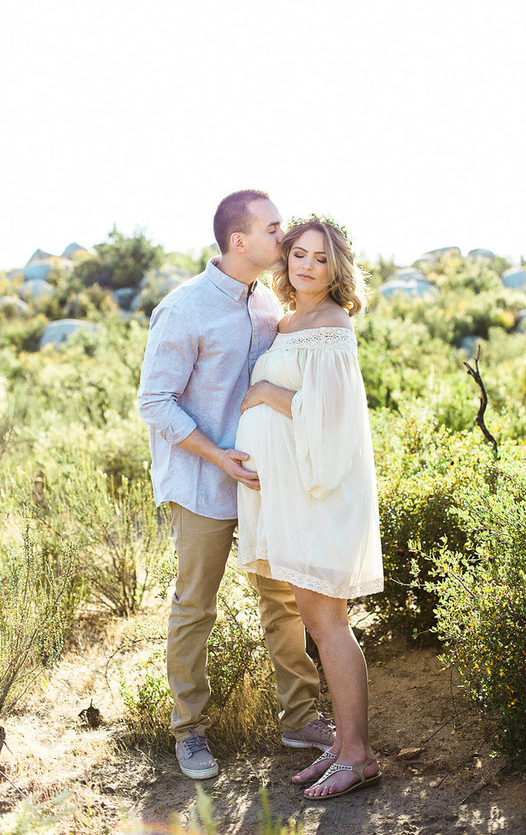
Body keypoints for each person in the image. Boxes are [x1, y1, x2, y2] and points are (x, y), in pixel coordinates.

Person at [137, 191, 335, 781]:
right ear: (239, 240)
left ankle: (299, 718)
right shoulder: (185, 308)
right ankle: (189, 733)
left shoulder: (270, 301)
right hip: (202, 483)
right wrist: (218, 456)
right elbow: (155, 401)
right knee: (196, 606)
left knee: (282, 601)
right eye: (274, 228)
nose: (285, 235)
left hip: (264, 485)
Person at [236, 217, 384, 799]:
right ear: (286, 259)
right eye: (299, 253)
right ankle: (345, 748)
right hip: (291, 495)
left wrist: (268, 393)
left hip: (319, 495)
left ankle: (358, 755)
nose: (307, 265)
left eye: (321, 258)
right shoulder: (288, 320)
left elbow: (331, 418)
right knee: (316, 621)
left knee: (329, 624)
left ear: (336, 267)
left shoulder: (332, 322)